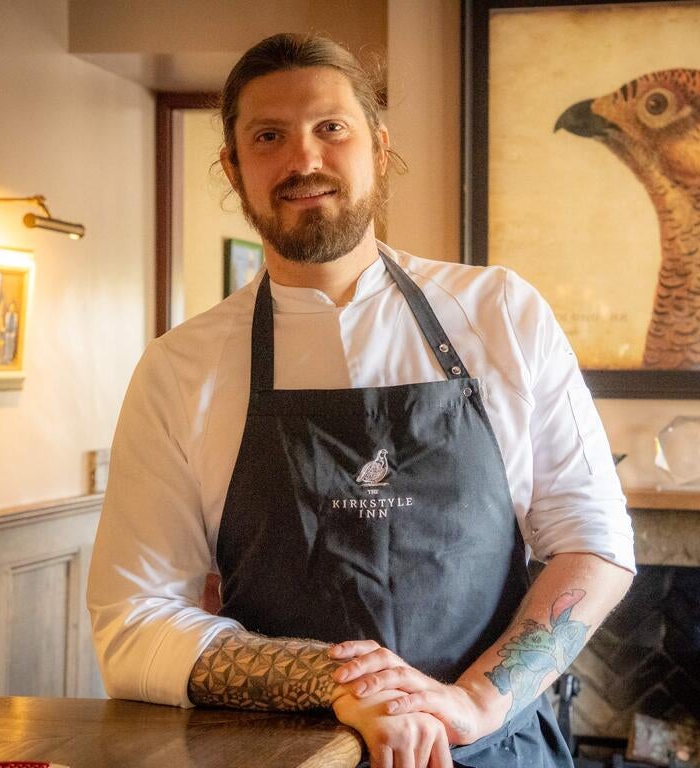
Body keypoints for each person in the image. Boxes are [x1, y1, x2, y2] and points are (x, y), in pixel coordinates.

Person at [88, 33, 635, 768]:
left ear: (379, 147)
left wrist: (475, 702)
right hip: (283, 757)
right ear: (234, 165)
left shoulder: (502, 311)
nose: (302, 159)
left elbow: (592, 542)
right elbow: (133, 620)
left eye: (330, 129)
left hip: (497, 748)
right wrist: (337, 682)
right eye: (268, 136)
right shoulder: (179, 367)